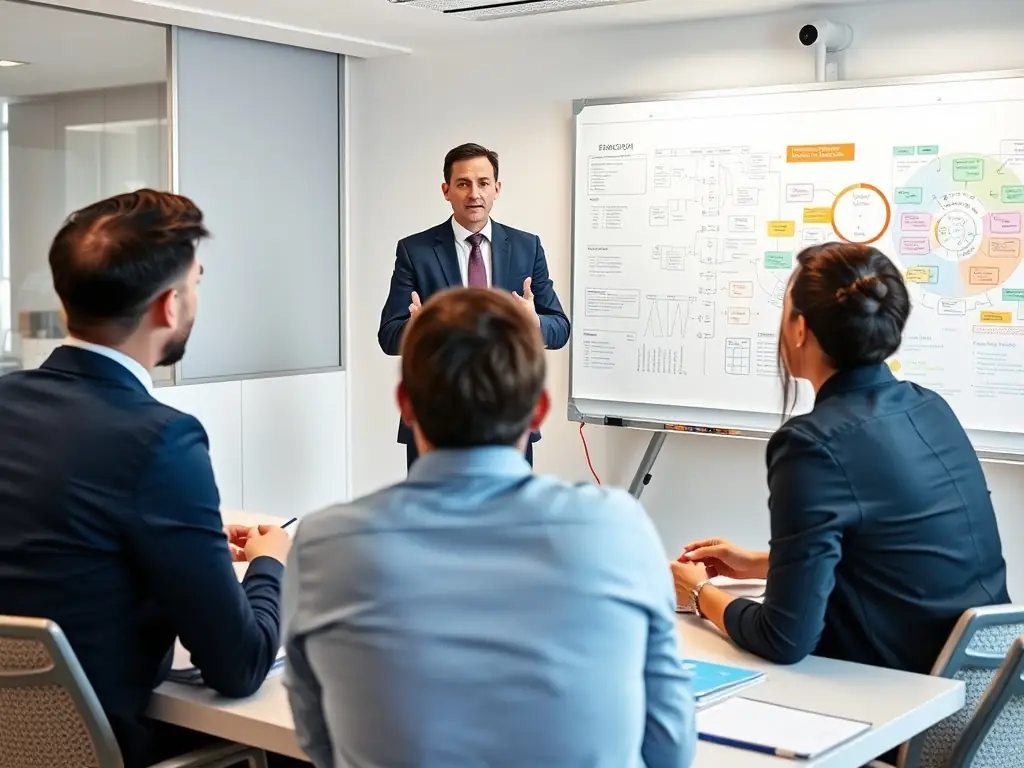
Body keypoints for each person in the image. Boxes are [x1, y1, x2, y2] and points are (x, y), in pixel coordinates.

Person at [285, 287, 694, 768]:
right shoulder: (618, 528)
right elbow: (669, 750)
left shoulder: (323, 548)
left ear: (405, 404)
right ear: (538, 409)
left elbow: (321, 746)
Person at [0, 190, 293, 768]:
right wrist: (269, 560)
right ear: (169, 307)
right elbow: (239, 665)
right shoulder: (160, 438)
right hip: (114, 744)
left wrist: (192, 540)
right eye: (196, 283)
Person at [671, 242, 1010, 677]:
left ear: (800, 328)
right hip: (983, 702)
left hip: (900, 708)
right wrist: (756, 563)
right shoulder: (928, 407)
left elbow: (784, 637)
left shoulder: (811, 444)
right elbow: (892, 559)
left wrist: (699, 592)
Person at [377, 142, 571, 471]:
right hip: (434, 418)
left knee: (507, 519)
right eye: (463, 184)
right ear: (446, 190)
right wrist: (423, 330)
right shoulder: (415, 251)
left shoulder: (527, 247)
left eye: (483, 183)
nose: (474, 194)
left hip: (508, 417)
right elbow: (389, 336)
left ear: (497, 188)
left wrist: (531, 322)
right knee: (432, 520)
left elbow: (560, 328)